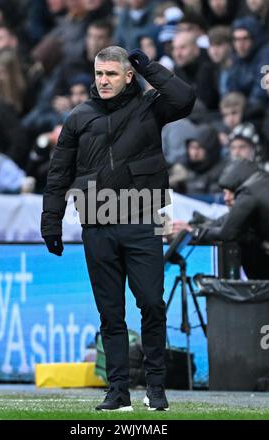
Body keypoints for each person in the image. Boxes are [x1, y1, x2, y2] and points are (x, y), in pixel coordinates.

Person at [41, 46, 195, 411]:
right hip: (96, 221)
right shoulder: (78, 117)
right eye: (99, 74)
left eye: (111, 73)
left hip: (144, 217)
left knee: (153, 305)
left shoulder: (150, 105)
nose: (103, 80)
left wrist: (149, 68)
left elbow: (185, 99)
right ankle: (118, 392)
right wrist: (51, 221)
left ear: (128, 76)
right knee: (111, 315)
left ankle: (155, 388)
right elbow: (59, 173)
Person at [173, 158, 269, 279]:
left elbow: (227, 233)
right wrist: (193, 227)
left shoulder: (250, 192)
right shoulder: (261, 184)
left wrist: (194, 232)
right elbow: (222, 222)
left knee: (245, 238)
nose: (226, 198)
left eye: (231, 192)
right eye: (224, 193)